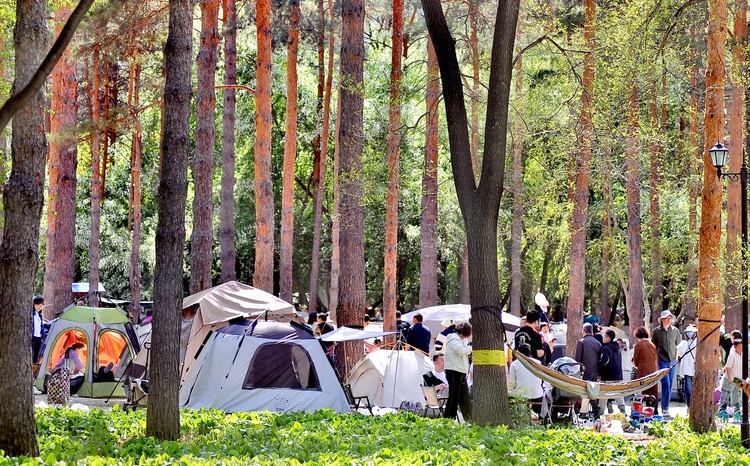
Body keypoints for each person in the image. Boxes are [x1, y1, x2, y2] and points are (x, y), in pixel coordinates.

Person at [652, 310, 681, 416]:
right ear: (662, 319)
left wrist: (677, 358)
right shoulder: (656, 332)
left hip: (673, 361)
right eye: (667, 318)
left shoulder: (675, 331)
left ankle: (665, 408)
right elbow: (653, 347)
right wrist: (655, 361)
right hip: (662, 361)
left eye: (670, 318)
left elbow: (679, 345)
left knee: (669, 385)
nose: (669, 320)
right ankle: (664, 408)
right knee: (666, 383)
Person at [444, 322, 472, 420]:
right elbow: (460, 351)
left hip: (461, 371)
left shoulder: (462, 341)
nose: (465, 337)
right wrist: (472, 348)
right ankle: (448, 419)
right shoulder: (453, 339)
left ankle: (470, 418)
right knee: (454, 397)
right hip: (453, 371)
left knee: (465, 397)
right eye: (465, 334)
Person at [575, 322, 602, 416]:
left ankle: (585, 410)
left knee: (584, 391)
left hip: (585, 370)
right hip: (595, 371)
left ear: (583, 331)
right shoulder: (598, 343)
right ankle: (594, 409)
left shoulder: (581, 342)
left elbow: (578, 359)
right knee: (592, 391)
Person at [508, 343, 543, 415]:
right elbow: (540, 381)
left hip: (520, 395)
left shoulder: (514, 364)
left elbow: (512, 384)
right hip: (537, 394)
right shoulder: (538, 363)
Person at [599, 329, 626, 413]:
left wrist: (600, 371)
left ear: (608, 338)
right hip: (618, 374)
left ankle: (601, 410)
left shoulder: (606, 348)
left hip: (608, 375)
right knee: (618, 392)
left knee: (604, 393)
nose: (603, 337)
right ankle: (622, 409)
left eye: (604, 336)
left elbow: (604, 361)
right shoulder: (617, 348)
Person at [632, 326, 659, 411]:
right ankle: (654, 409)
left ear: (637, 335)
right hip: (653, 369)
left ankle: (642, 409)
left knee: (643, 390)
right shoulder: (652, 344)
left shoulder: (638, 345)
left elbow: (635, 362)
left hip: (643, 370)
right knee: (653, 390)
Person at [719, 338, 744, 421]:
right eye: (739, 347)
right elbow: (728, 367)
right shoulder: (732, 355)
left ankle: (737, 412)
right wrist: (729, 378)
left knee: (737, 395)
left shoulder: (743, 354)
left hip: (738, 379)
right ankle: (721, 411)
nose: (741, 349)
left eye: (742, 347)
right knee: (726, 394)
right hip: (730, 378)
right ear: (735, 346)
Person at [677, 324, 697, 410]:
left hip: (695, 367)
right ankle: (689, 405)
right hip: (686, 368)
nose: (689, 334)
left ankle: (695, 405)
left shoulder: (697, 342)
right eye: (688, 332)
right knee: (688, 387)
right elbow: (679, 354)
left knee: (694, 388)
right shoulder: (683, 343)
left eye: (691, 332)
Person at [31, 295, 45, 363]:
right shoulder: (31, 314)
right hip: (33, 336)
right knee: (31, 353)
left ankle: (34, 365)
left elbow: (40, 326)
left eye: (41, 306)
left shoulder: (39, 315)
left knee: (36, 354)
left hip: (39, 337)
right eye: (38, 305)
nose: (39, 308)